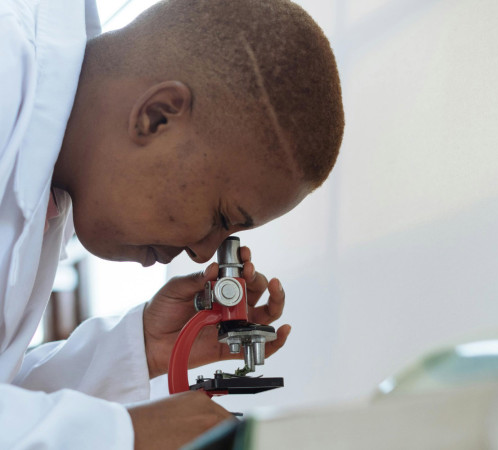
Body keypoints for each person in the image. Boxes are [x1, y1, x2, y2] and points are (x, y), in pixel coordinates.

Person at [0, 0, 344, 448]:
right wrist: (123, 434)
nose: (203, 253)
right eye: (221, 216)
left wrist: (142, 347)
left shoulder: (50, 172)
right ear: (157, 116)